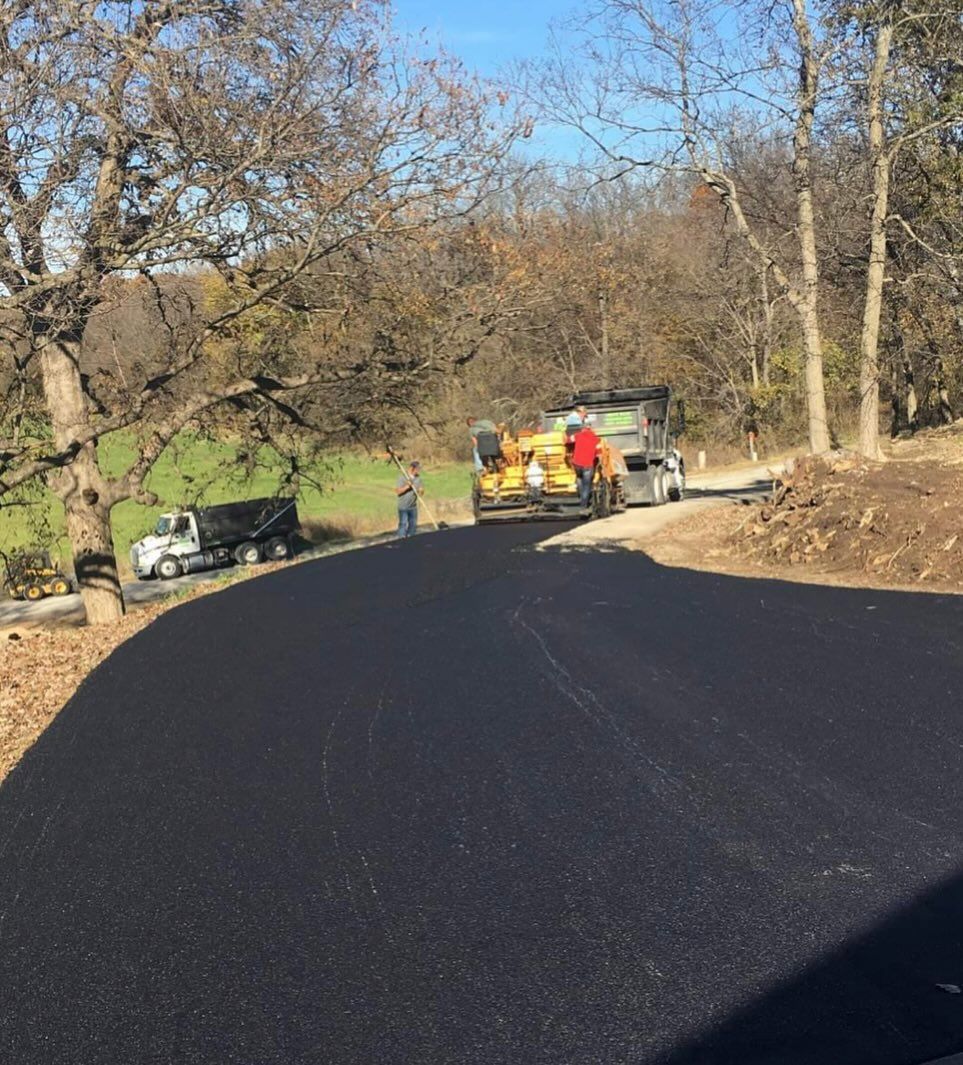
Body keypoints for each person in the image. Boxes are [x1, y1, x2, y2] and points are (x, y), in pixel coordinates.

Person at [571, 422, 599, 511]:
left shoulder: (577, 436)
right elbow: (598, 451)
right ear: (590, 428)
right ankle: (583, 506)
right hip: (587, 465)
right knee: (587, 486)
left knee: (579, 478)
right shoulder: (595, 438)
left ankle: (580, 492)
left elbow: (567, 440)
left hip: (577, 464)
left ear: (582, 428)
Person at [395, 460, 422, 539]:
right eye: (417, 469)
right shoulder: (402, 478)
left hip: (413, 506)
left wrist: (421, 491)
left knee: (413, 524)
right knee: (403, 524)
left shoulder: (418, 478)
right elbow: (398, 492)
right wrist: (407, 486)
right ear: (412, 468)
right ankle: (401, 539)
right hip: (403, 506)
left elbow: (421, 490)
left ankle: (411, 540)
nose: (418, 471)